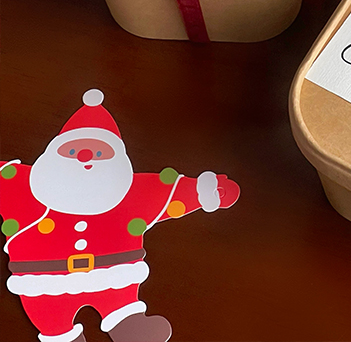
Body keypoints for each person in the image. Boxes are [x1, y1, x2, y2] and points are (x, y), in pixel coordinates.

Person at [0, 91, 239, 342]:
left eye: (100, 153)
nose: (84, 157)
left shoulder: (130, 191)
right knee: (49, 319)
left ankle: (126, 321)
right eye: (72, 151)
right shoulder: (19, 184)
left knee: (121, 304)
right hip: (42, 281)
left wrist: (203, 192)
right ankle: (60, 335)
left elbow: (168, 192)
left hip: (114, 273)